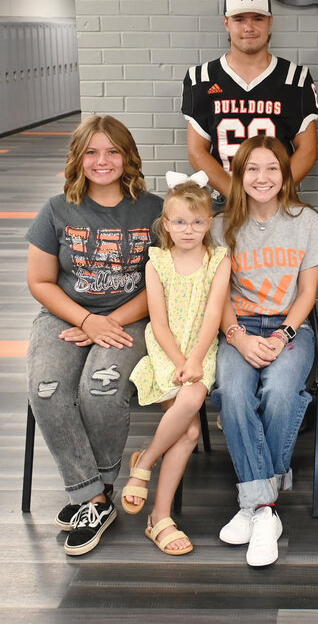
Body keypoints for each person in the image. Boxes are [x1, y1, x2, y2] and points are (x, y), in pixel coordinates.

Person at [25, 115, 163, 556]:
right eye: (92, 152)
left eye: (112, 151)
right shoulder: (55, 209)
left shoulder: (154, 209)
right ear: (78, 158)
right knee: (46, 390)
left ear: (127, 156)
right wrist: (87, 321)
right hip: (64, 317)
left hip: (133, 317)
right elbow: (41, 281)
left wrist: (112, 321)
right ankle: (94, 496)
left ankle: (91, 492)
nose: (102, 161)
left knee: (100, 391)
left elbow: (168, 280)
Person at [211, 135, 318, 568]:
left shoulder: (305, 221)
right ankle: (266, 509)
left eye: (272, 169)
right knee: (234, 392)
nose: (262, 178)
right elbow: (218, 292)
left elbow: (309, 293)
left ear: (285, 175)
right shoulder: (221, 224)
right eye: (252, 169)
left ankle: (253, 505)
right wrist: (237, 336)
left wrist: (281, 336)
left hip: (291, 328)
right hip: (238, 327)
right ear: (239, 175)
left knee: (281, 390)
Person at [122, 175, 231, 555]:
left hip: (202, 351)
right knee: (186, 434)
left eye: (198, 222)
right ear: (166, 224)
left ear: (210, 223)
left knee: (191, 401)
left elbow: (214, 314)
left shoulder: (218, 260)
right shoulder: (158, 263)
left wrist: (197, 360)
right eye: (180, 222)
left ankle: (145, 463)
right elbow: (160, 323)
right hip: (167, 351)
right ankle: (160, 517)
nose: (189, 229)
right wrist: (180, 361)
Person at [181, 0, 318, 199]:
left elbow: (308, 150)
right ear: (226, 23)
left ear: (270, 22)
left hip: (277, 201)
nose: (249, 27)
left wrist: (273, 193)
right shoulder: (202, 78)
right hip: (223, 201)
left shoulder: (294, 78)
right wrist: (237, 195)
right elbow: (197, 151)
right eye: (239, 19)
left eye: (258, 19)